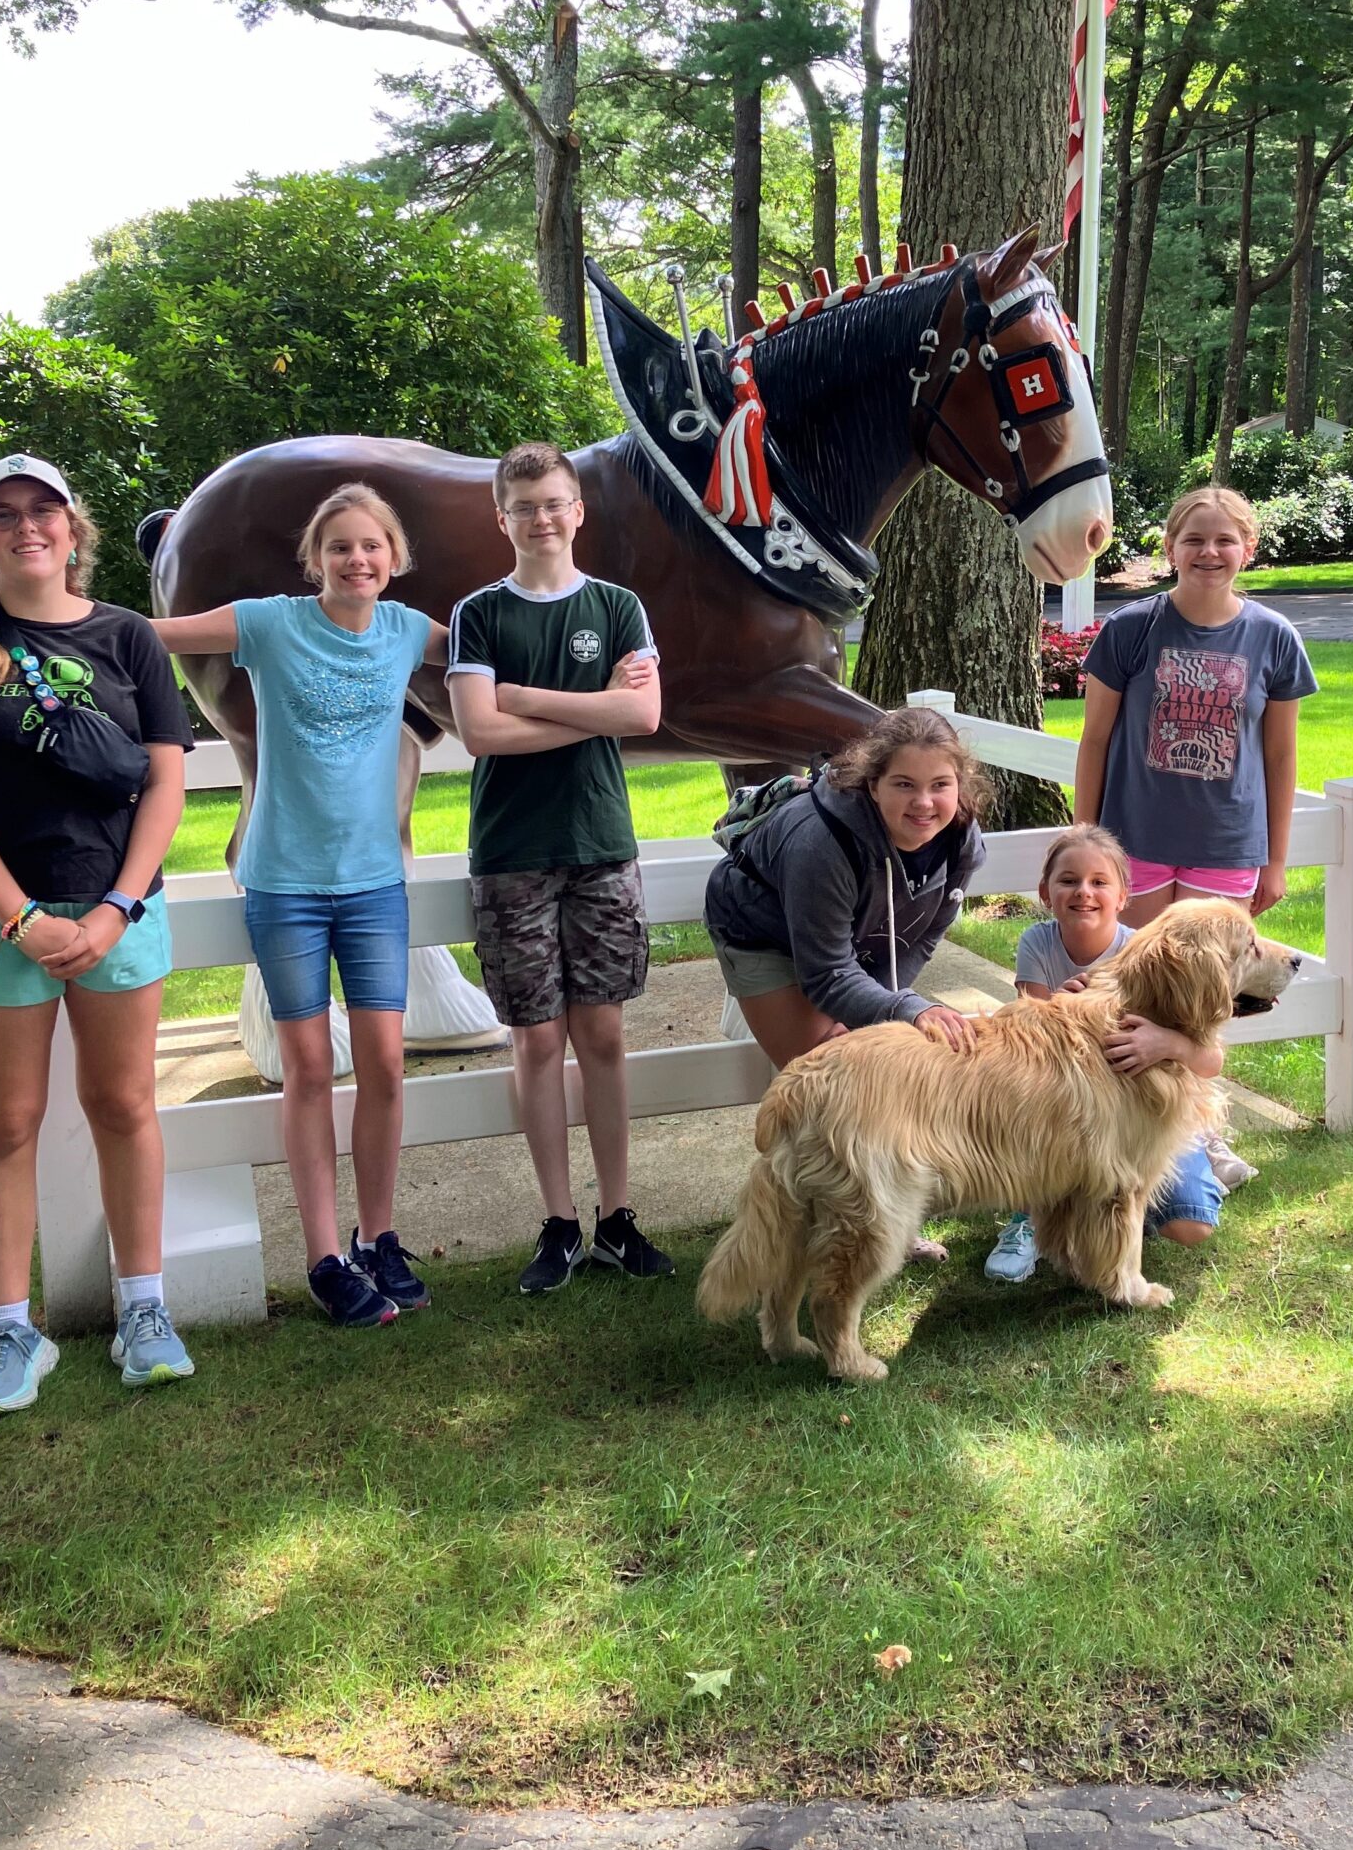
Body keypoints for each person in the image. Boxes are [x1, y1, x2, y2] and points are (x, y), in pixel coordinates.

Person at [0, 455, 196, 1418]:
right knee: (4, 1124)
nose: (27, 527)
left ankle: (143, 1310)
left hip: (119, 911)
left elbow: (165, 786)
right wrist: (19, 918)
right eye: (4, 515)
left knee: (124, 1105)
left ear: (75, 530)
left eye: (44, 511)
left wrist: (116, 907)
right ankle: (7, 1331)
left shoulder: (130, 639)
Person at [151, 483, 447, 1328]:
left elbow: (503, 643)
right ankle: (324, 1257)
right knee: (311, 1068)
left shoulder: (406, 632)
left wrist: (620, 662)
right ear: (315, 559)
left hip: (374, 887)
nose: (358, 560)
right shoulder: (270, 622)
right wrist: (48, 616)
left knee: (387, 1066)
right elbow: (150, 634)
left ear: (395, 558)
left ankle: (378, 1238)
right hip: (285, 884)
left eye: (373, 546)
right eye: (341, 547)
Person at [446, 441, 673, 1296]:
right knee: (536, 1041)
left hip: (599, 845)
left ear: (578, 512)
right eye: (524, 505)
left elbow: (644, 713)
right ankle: (560, 1221)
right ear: (500, 518)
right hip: (511, 852)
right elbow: (478, 732)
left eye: (555, 503)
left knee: (604, 1035)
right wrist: (596, 710)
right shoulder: (480, 614)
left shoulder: (619, 607)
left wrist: (528, 697)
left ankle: (617, 1218)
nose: (542, 518)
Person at [1075, 483, 1318, 1190]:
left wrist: (1275, 858)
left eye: (1224, 540)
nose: (1209, 552)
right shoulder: (1132, 629)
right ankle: (1119, 1131)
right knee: (1140, 993)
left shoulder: (1273, 636)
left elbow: (1279, 757)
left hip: (1227, 844)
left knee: (1206, 1002)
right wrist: (1090, 841)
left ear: (1248, 549)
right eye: (1194, 539)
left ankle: (1202, 1138)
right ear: (1170, 548)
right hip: (1137, 841)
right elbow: (1094, 741)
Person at [703, 705, 988, 1262]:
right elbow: (826, 973)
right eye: (903, 784)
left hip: (854, 937)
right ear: (872, 784)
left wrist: (889, 1005)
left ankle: (879, 1223)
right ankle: (828, 1227)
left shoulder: (962, 841)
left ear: (961, 785)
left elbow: (923, 937)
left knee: (880, 1064)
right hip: (761, 933)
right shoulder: (819, 841)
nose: (923, 803)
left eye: (940, 785)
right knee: (830, 1065)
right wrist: (905, 1011)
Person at [984, 824, 1226, 1281]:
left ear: (1123, 896)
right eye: (1069, 880)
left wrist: (1166, 1042)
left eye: (1099, 882)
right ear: (1044, 892)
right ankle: (1028, 1219)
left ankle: (1194, 1159)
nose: (1084, 893)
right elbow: (1029, 1035)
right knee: (1032, 1121)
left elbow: (1211, 1061)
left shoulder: (1146, 952)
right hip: (1076, 1096)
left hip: (1147, 1106)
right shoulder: (1037, 943)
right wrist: (1069, 1000)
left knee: (1190, 1223)